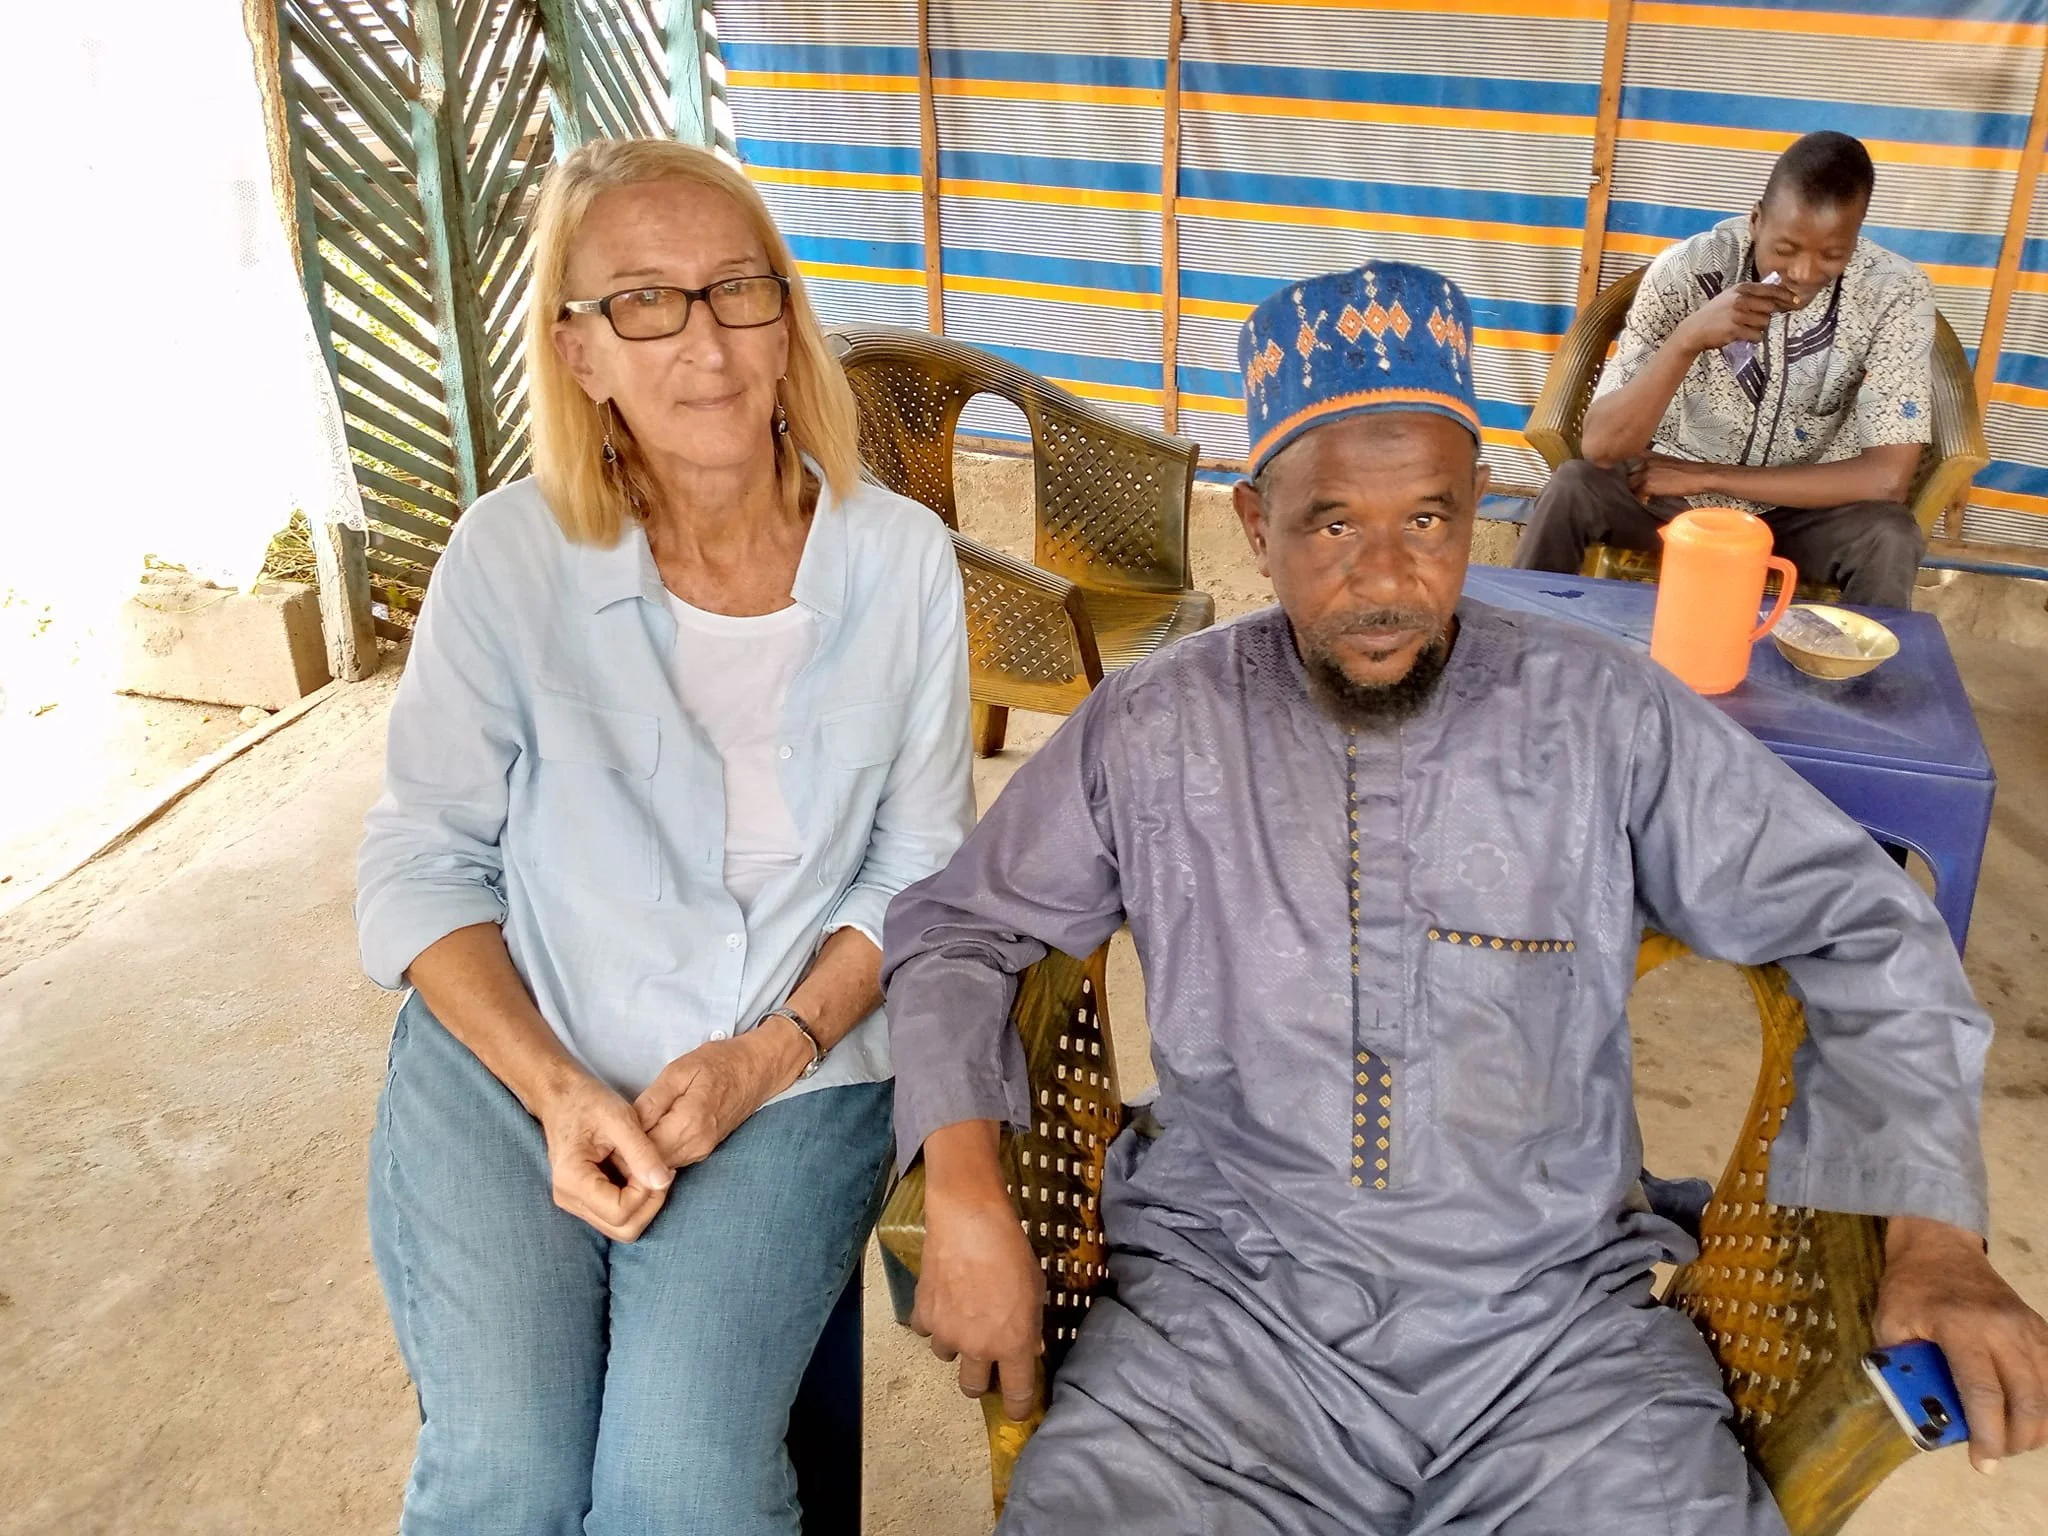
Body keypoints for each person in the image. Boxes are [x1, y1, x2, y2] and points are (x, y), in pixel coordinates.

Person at [883, 260, 2048, 1533]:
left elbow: (1859, 922)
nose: (1385, 581)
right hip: (1219, 1326)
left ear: (1473, 508)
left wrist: (1933, 1234)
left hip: (1553, 1344)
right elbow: (961, 930)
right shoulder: (1154, 726)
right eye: (1330, 525)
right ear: (1250, 517)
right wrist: (965, 1187)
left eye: (1428, 521)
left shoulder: (1599, 711)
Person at [355, 137, 973, 1533]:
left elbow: (922, 865)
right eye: (643, 300)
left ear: (784, 315)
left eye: (735, 290)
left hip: (791, 1070)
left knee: (678, 1491)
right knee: (506, 1474)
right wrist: (561, 1092)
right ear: (579, 353)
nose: (702, 341)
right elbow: (421, 859)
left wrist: (770, 1052)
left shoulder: (899, 563)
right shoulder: (511, 556)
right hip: (516, 1057)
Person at [1517, 130, 1934, 607]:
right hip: (1666, 505)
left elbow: (1887, 478)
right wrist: (1688, 339)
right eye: (1786, 249)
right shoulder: (1686, 271)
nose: (1803, 271)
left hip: (1798, 517)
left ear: (1855, 240)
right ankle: (1520, 658)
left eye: (1832, 255)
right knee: (1573, 488)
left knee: (1890, 535)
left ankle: (1853, 681)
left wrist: (1706, 475)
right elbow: (1602, 447)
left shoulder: (1895, 294)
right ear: (1756, 220)